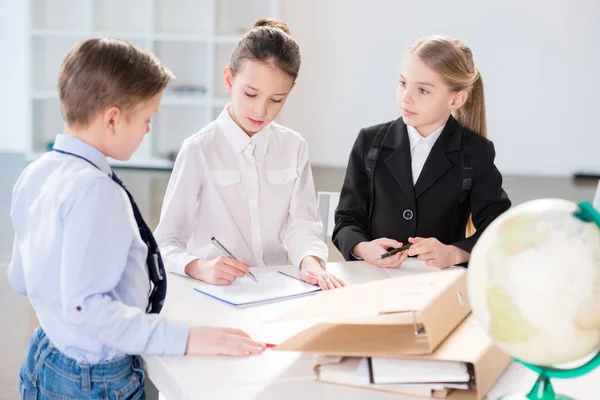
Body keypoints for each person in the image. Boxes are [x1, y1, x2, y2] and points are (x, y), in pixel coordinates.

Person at [8, 37, 265, 400]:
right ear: (112, 119)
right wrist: (187, 339)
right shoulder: (97, 192)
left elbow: (20, 278)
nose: (148, 130)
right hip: (95, 377)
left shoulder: (37, 173)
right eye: (147, 118)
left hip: (44, 353)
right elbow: (87, 308)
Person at [155, 19, 345, 290]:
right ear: (229, 79)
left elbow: (303, 224)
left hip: (274, 289)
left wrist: (310, 262)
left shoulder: (294, 147)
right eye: (251, 94)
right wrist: (201, 267)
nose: (260, 111)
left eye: (276, 99)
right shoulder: (198, 149)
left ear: (290, 91)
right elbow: (165, 241)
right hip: (216, 290)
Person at [333, 35, 511, 269]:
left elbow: (499, 227)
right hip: (374, 279)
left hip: (439, 284)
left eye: (423, 90)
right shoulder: (369, 141)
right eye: (403, 83)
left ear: (456, 99)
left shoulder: (476, 152)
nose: (406, 97)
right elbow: (346, 219)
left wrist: (454, 253)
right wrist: (362, 248)